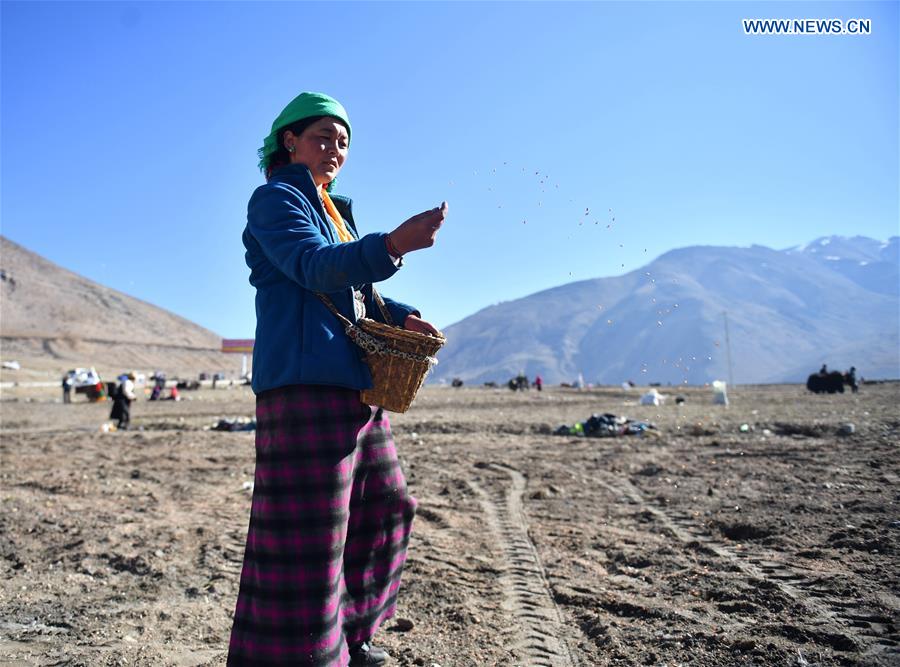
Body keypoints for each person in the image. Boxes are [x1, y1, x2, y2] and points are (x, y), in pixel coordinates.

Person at [227, 92, 446, 667]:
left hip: (353, 385)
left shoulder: (334, 210)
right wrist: (392, 245)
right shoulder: (276, 199)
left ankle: (353, 635)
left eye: (343, 141)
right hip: (302, 387)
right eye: (323, 136)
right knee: (311, 541)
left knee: (386, 508)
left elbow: (353, 289)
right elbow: (311, 266)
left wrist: (400, 315)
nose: (335, 149)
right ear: (289, 141)